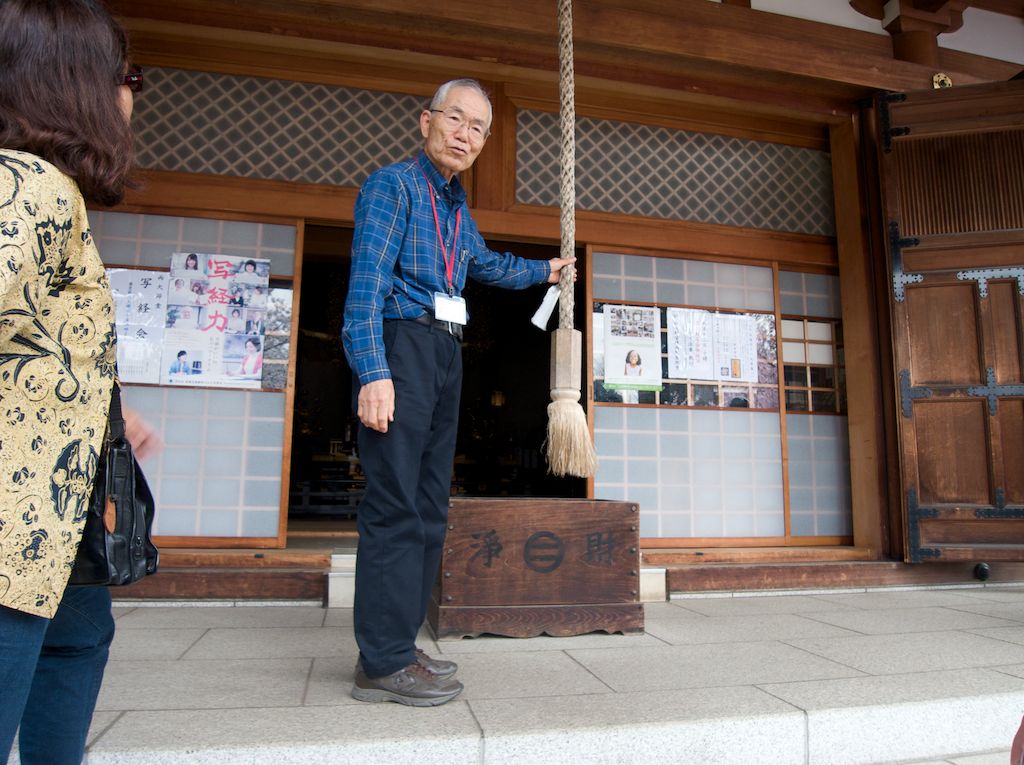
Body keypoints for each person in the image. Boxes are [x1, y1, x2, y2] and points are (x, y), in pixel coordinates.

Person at [341, 78, 576, 707]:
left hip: (446, 349)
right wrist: (372, 372)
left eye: (478, 128)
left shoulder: (454, 207)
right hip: (401, 345)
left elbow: (486, 266)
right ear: (427, 121)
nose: (465, 134)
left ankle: (399, 644)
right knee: (394, 506)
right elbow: (365, 285)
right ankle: (380, 663)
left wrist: (544, 272)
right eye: (456, 118)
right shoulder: (392, 186)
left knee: (430, 508)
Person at [0, 2, 160, 763]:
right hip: (13, 528)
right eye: (127, 76)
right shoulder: (28, 187)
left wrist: (97, 413)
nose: (132, 97)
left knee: (78, 640)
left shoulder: (41, 190)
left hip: (55, 522)